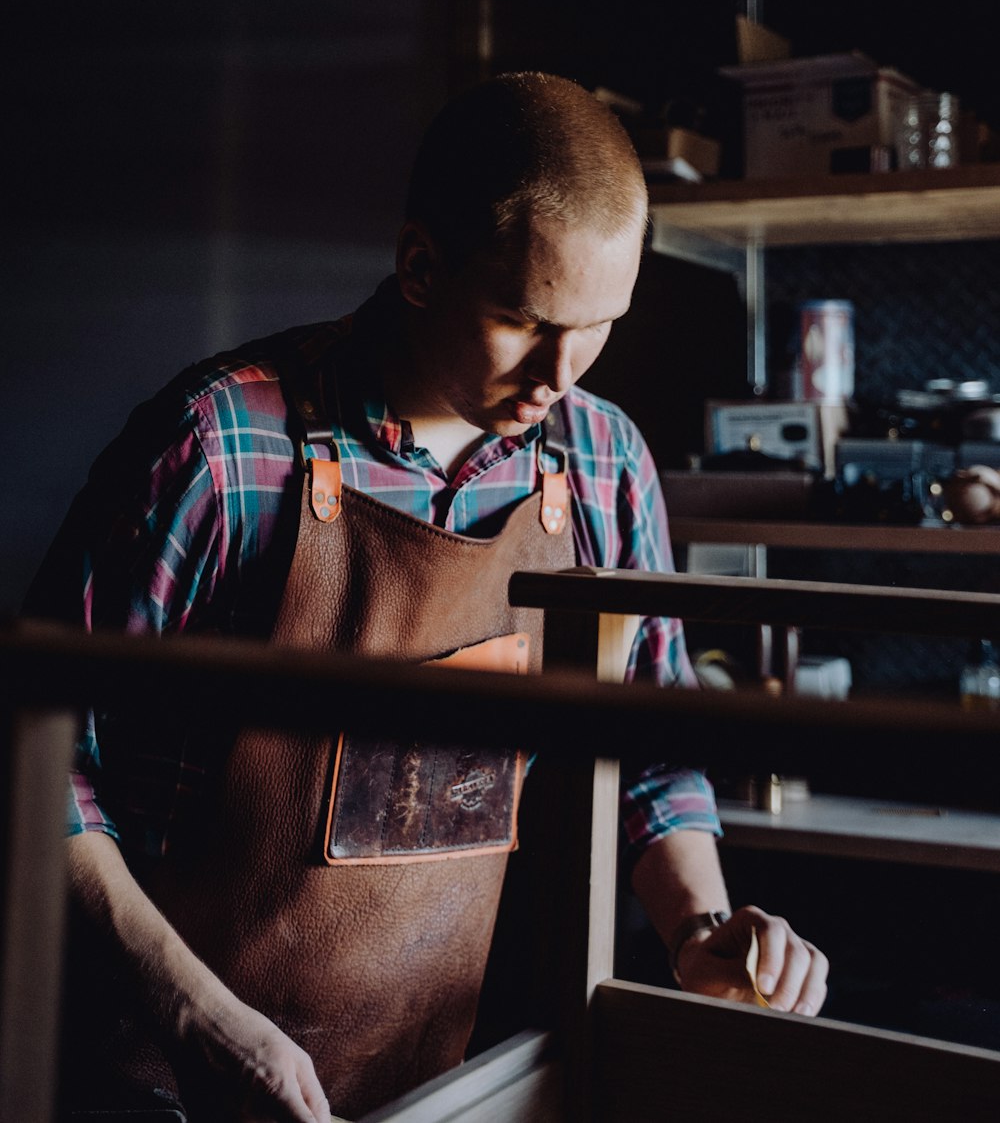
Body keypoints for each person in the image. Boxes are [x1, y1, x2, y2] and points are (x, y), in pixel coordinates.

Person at [27, 72, 827, 1123]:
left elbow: (644, 748)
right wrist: (192, 1014)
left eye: (599, 327)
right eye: (523, 321)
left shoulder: (602, 462)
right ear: (418, 265)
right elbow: (37, 760)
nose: (560, 375)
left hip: (432, 1079)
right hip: (160, 1073)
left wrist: (700, 929)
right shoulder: (222, 445)